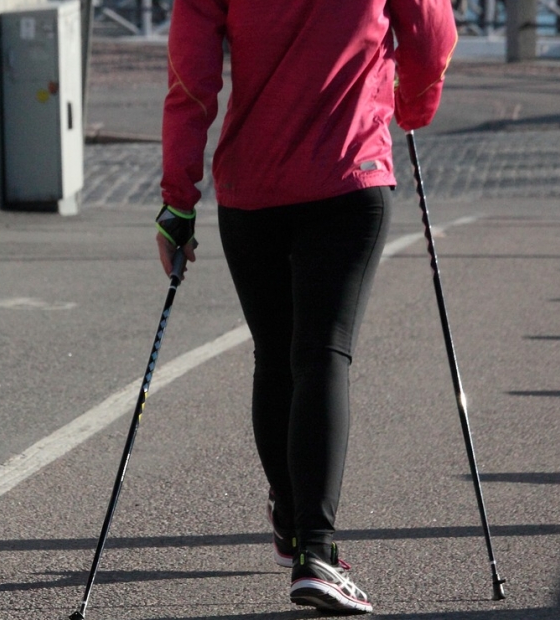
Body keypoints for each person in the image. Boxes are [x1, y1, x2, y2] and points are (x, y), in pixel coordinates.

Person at [156, 0, 456, 614]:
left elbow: (192, 75)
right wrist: (412, 107)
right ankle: (315, 553)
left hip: (251, 188)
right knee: (321, 354)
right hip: (349, 176)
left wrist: (177, 201)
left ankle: (295, 523)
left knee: (277, 355)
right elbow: (431, 36)